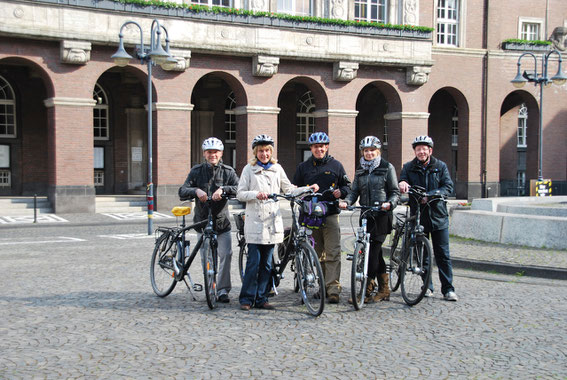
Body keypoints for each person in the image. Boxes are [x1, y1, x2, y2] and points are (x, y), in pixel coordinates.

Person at [237, 134, 315, 311]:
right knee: (253, 263)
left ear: (271, 152)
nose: (264, 154)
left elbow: (289, 189)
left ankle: (262, 298)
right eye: (260, 151)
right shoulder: (248, 169)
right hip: (255, 222)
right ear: (255, 153)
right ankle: (247, 298)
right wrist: (255, 194)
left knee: (266, 264)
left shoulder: (277, 168)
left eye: (266, 151)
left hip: (272, 223)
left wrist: (308, 189)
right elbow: (240, 193)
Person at [339, 136, 400, 303]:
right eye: (366, 150)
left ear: (378, 151)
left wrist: (389, 203)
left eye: (372, 150)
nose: (369, 153)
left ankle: (366, 289)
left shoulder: (387, 168)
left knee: (373, 252)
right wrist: (347, 202)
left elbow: (395, 192)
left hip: (381, 216)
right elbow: (354, 191)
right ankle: (384, 289)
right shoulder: (360, 170)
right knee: (376, 254)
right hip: (366, 215)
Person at [178, 137, 239, 303]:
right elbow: (182, 190)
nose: (213, 155)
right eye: (209, 152)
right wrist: (196, 191)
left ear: (221, 154)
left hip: (221, 222)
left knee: (226, 254)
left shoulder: (228, 172)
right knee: (207, 258)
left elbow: (239, 188)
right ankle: (210, 286)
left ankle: (223, 290)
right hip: (203, 221)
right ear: (204, 154)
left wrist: (224, 189)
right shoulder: (196, 171)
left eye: (216, 152)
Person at [398, 135, 458, 302]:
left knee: (443, 254)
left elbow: (448, 187)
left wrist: (431, 195)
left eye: (424, 149)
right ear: (415, 151)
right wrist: (402, 183)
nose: (421, 152)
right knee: (422, 254)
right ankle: (427, 287)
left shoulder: (440, 166)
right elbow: (403, 180)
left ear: (430, 150)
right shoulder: (408, 167)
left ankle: (448, 289)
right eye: (418, 149)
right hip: (419, 216)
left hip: (438, 217)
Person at [292, 132, 350, 304]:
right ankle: (323, 286)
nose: (319, 149)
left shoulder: (336, 165)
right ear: (311, 148)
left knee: (333, 252)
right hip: (310, 216)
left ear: (327, 147)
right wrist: (304, 190)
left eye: (322, 146)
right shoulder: (303, 167)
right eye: (316, 147)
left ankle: (333, 289)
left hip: (330, 214)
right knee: (318, 255)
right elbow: (295, 187)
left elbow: (346, 185)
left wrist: (343, 193)